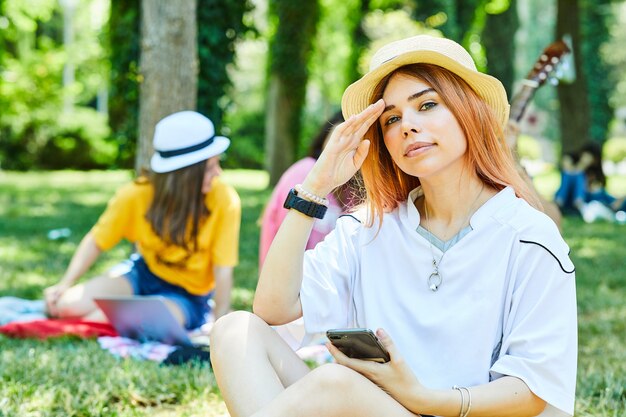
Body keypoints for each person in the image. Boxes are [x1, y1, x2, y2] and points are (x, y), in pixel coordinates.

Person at [210, 34, 577, 417]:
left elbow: (532, 390)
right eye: (392, 119)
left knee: (336, 384)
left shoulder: (529, 236)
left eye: (428, 105)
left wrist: (422, 399)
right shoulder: (367, 229)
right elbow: (272, 310)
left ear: (471, 112)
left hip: (460, 411)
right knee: (234, 331)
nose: (408, 126)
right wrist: (315, 188)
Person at [44, 111, 241, 329]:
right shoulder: (135, 195)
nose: (218, 173)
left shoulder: (225, 199)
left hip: (189, 296)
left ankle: (114, 315)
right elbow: (96, 240)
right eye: (211, 167)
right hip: (142, 274)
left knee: (130, 320)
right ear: (186, 175)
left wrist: (219, 320)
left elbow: (223, 268)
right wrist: (65, 283)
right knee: (64, 306)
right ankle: (117, 312)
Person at [259, 111, 352, 268]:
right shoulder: (304, 172)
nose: (343, 146)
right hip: (289, 278)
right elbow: (284, 234)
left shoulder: (354, 186)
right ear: (325, 139)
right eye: (339, 137)